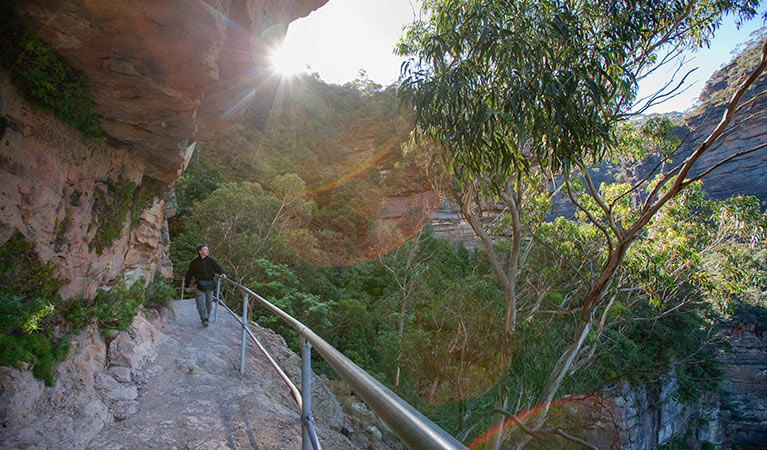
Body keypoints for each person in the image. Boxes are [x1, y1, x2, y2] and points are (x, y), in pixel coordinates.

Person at [184, 244, 226, 327]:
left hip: (210, 285)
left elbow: (217, 267)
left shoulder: (211, 261)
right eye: (205, 249)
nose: (207, 251)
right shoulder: (194, 262)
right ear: (200, 251)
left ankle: (207, 317)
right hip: (199, 285)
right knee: (200, 303)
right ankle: (204, 319)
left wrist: (222, 273)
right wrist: (187, 285)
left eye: (207, 249)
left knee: (209, 304)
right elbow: (189, 274)